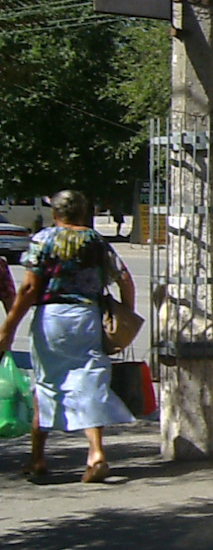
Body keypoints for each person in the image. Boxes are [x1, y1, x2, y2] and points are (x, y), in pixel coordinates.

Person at [0, 190, 138, 483]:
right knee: (89, 382)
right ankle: (96, 453)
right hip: (87, 316)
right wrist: (125, 314)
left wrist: (9, 327)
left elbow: (28, 288)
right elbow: (125, 279)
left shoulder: (44, 239)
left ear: (56, 213)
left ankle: (37, 459)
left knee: (47, 383)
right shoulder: (97, 241)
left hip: (52, 319)